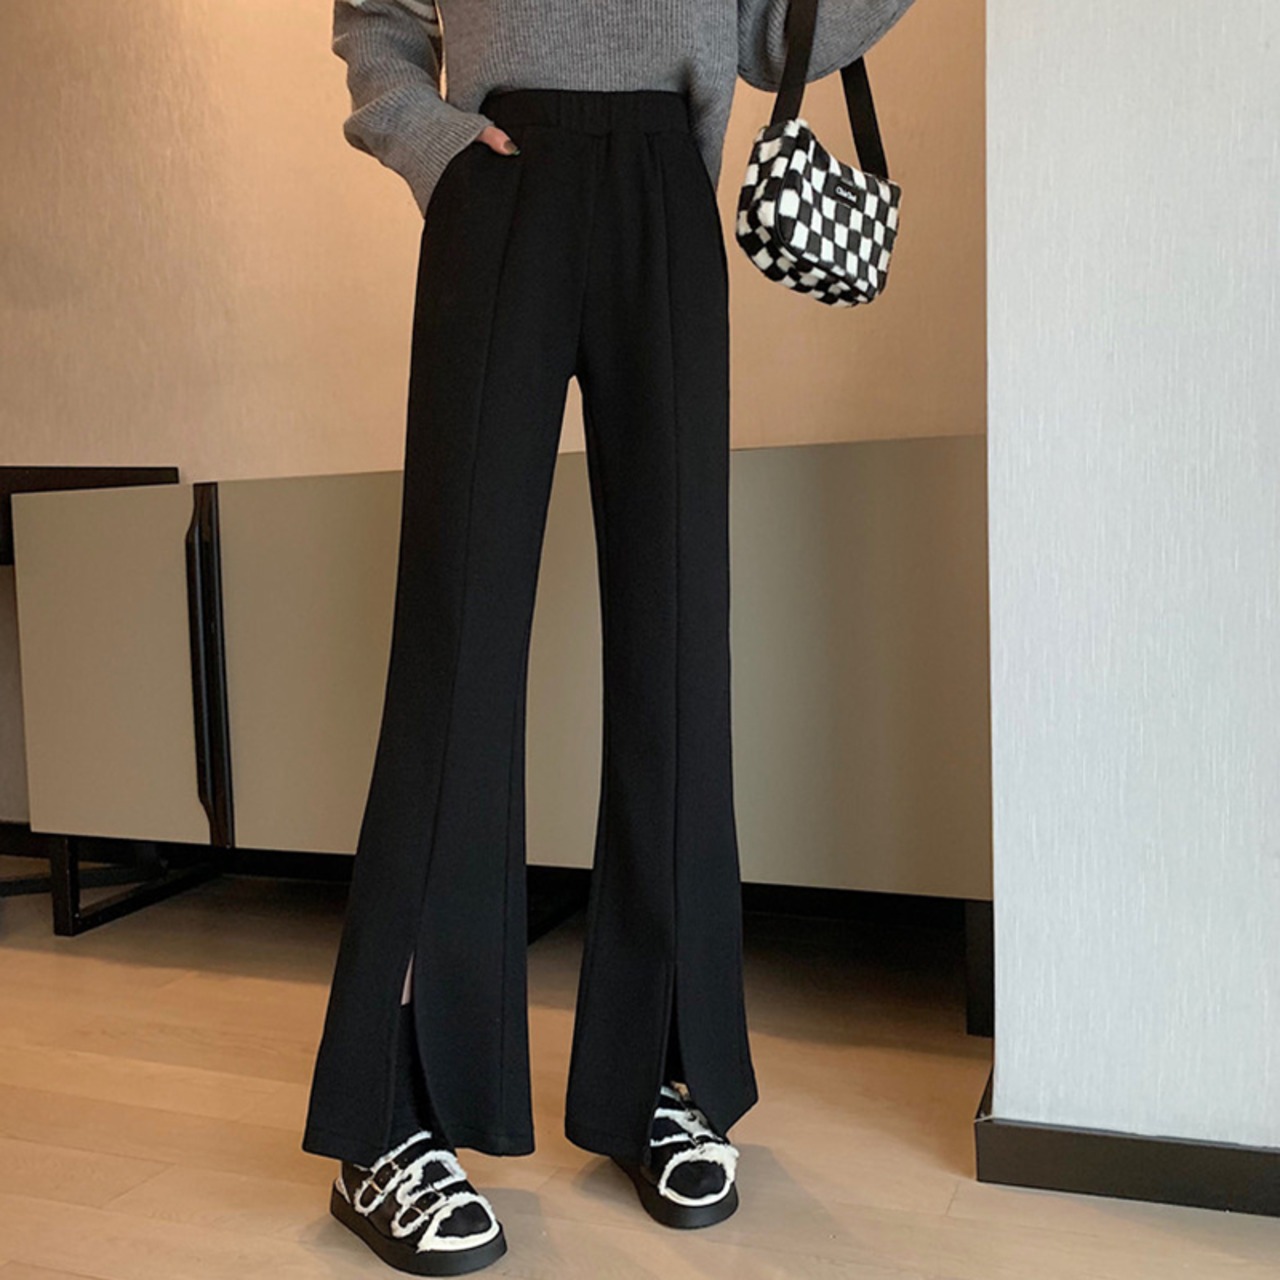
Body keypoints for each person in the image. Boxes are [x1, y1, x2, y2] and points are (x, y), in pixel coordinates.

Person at [301, 1, 916, 1273]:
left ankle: (662, 1073)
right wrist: (431, 142)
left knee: (679, 650)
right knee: (456, 645)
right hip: (500, 178)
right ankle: (389, 1113)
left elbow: (769, 32)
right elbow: (376, 13)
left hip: (664, 188)